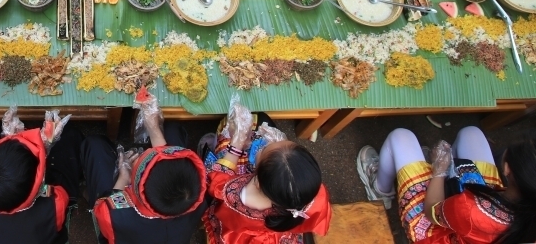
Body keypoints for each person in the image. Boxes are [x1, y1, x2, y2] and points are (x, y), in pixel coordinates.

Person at [357, 127, 536, 243]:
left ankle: (381, 190)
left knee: (401, 136)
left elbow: (432, 210)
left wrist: (439, 170)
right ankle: (451, 168)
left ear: (507, 169)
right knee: (471, 134)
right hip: (481, 215)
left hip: (440, 229)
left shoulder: (471, 208)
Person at [81, 93, 207, 244]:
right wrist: (154, 129)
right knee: (173, 130)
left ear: (135, 188)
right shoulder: (199, 200)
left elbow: (102, 207)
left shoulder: (116, 213)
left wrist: (123, 178)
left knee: (96, 146)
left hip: (118, 225)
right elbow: (171, 170)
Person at [203, 101, 331, 244]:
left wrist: (237, 144)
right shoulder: (308, 190)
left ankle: (206, 145)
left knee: (211, 158)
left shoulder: (238, 197)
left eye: (264, 149)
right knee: (264, 119)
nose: (268, 142)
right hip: (275, 233)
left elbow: (217, 180)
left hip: (239, 230)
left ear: (257, 181)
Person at [0, 108, 83, 244]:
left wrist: (10, 137)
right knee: (69, 136)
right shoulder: (54, 205)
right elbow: (61, 193)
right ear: (37, 189)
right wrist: (46, 148)